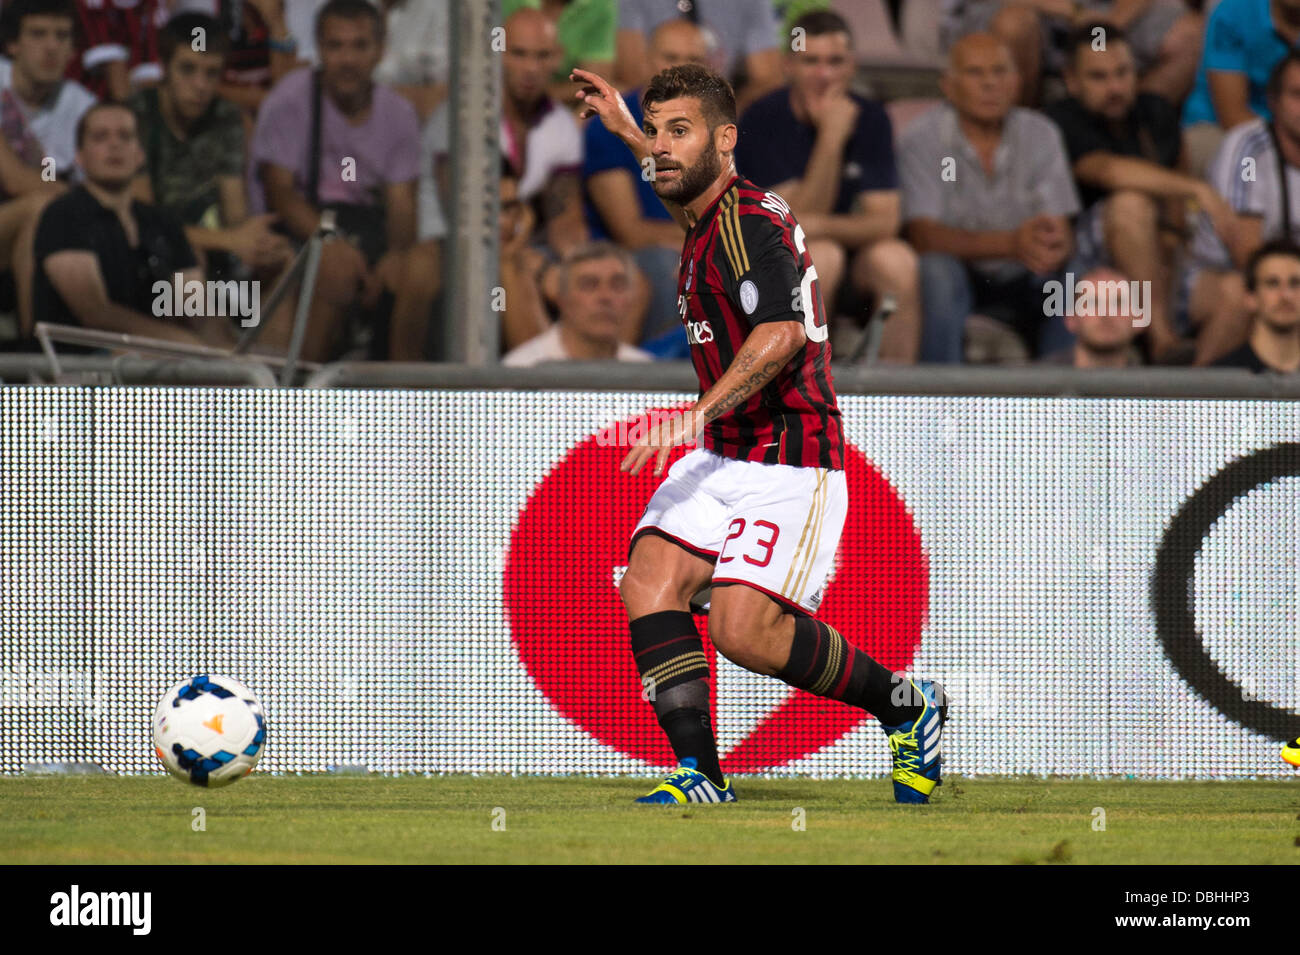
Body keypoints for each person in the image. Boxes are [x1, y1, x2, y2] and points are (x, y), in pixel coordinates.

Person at [572, 62, 948, 805]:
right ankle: (702, 775)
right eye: (655, 131)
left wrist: (695, 412)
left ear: (726, 138)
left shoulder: (747, 224)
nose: (662, 149)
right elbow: (674, 176)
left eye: (678, 132)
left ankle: (905, 705)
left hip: (790, 455)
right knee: (648, 579)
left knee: (743, 633)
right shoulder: (707, 208)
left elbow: (779, 335)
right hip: (728, 451)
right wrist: (624, 127)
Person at [736, 9, 919, 363]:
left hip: (853, 252)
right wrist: (831, 137)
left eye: (835, 62)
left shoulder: (871, 117)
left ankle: (899, 399)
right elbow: (788, 226)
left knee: (898, 260)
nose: (824, 75)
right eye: (811, 62)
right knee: (822, 257)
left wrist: (818, 225)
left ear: (852, 66)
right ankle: (808, 392)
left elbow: (884, 222)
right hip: (772, 257)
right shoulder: (762, 119)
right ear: (788, 66)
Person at [1045, 23, 1227, 363]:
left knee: (1234, 294)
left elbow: (1175, 181)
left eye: (1123, 73)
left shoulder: (1154, 111)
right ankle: (1159, 336)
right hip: (1085, 267)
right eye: (1099, 77)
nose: (1115, 87)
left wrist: (1172, 239)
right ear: (1071, 80)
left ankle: (1189, 391)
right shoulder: (1060, 119)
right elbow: (1108, 171)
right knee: (1132, 203)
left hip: (1156, 251)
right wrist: (1199, 189)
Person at [249, 0, 421, 361]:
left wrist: (396, 257)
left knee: (417, 273)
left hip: (365, 229)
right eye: (335, 46)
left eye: (359, 46)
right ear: (320, 49)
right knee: (334, 270)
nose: (347, 60)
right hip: (296, 230)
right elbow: (279, 192)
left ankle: (403, 397)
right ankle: (303, 395)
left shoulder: (398, 114)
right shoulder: (289, 101)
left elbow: (402, 203)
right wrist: (330, 243)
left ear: (379, 50)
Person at [899, 33, 1079, 363]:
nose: (989, 84)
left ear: (1017, 81)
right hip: (960, 275)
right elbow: (923, 236)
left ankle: (1064, 397)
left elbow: (1060, 224)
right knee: (936, 270)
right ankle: (939, 397)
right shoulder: (922, 139)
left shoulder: (1041, 133)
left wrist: (1056, 243)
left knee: (1075, 272)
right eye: (975, 73)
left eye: (999, 72)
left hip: (1027, 273)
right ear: (948, 86)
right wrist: (1011, 243)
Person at [31, 102, 227, 347]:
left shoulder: (163, 222)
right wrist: (185, 345)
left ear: (139, 155)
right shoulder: (63, 215)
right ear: (79, 156)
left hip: (160, 359)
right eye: (101, 137)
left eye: (125, 136)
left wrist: (231, 358)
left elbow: (198, 311)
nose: (115, 145)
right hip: (83, 365)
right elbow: (95, 314)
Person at [583, 17, 710, 355]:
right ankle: (651, 379)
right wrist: (702, 245)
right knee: (667, 265)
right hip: (625, 253)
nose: (681, 70)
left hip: (689, 243)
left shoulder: (715, 128)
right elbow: (630, 231)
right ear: (647, 60)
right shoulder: (613, 122)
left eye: (693, 60)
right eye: (670, 57)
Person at [1187, 52, 1300, 365]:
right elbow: (1248, 255)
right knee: (1248, 294)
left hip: (1291, 280)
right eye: (1297, 95)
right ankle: (1194, 400)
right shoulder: (1248, 150)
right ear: (1274, 102)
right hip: (1216, 277)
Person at [1182, 0, 1300, 176]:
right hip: (1221, 129)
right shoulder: (1233, 12)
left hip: (1292, 129)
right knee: (1250, 170)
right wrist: (1287, 148)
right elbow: (1232, 116)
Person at [614, 0, 783, 111]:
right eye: (671, 57)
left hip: (717, 110)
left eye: (693, 59)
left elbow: (769, 78)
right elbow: (632, 75)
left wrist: (718, 118)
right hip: (648, 109)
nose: (682, 66)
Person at [502, 241, 651, 365]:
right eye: (589, 285)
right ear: (561, 298)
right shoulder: (522, 370)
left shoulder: (647, 375)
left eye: (617, 285)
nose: (606, 297)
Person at [1213, 239, 1300, 372]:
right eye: (1272, 283)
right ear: (1250, 297)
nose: (1286, 295)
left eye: (1295, 283)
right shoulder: (1222, 377)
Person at [1038, 267, 1144, 366]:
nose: (1106, 314)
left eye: (1118, 303)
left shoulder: (1155, 384)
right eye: (1093, 303)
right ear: (1071, 319)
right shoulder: (1035, 382)